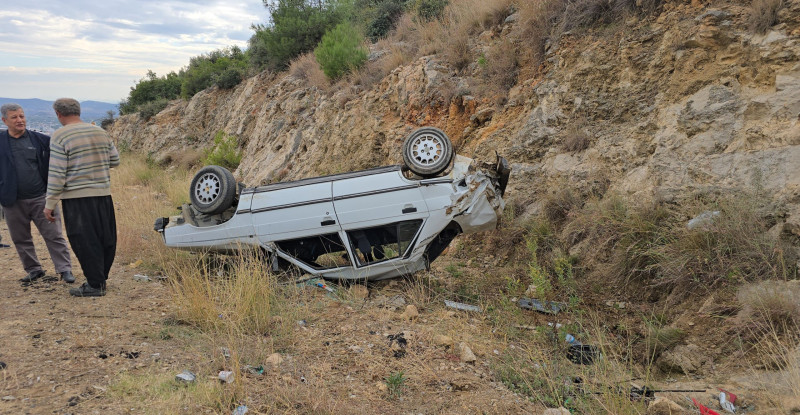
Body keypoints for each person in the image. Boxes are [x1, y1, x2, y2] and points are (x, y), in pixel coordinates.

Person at [44, 98, 119, 297]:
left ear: (58, 114)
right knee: (106, 237)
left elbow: (57, 172)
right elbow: (115, 160)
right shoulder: (100, 132)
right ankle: (100, 277)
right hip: (103, 194)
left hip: (77, 198)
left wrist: (50, 203)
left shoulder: (60, 135)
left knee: (84, 240)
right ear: (79, 111)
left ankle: (95, 284)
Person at [0, 103, 74, 283]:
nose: (20, 120)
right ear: (4, 120)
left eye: (22, 116)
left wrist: (55, 192)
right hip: (12, 200)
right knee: (20, 238)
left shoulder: (41, 140)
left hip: (42, 198)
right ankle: (34, 270)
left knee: (54, 236)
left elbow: (56, 166)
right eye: (14, 117)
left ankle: (64, 270)